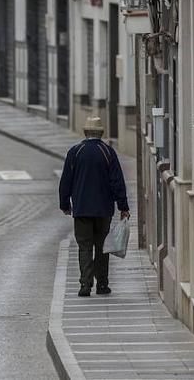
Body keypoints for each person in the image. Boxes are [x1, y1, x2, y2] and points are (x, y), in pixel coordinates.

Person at [58, 118, 129, 297]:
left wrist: (65, 204)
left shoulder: (75, 152)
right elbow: (117, 182)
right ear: (100, 133)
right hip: (104, 209)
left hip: (82, 208)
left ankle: (85, 285)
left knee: (85, 247)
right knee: (102, 247)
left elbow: (66, 181)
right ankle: (102, 284)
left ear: (85, 132)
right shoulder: (108, 152)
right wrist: (123, 206)